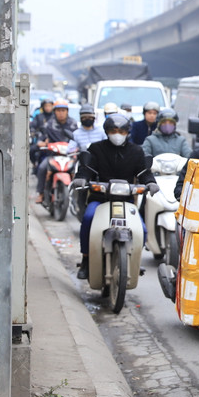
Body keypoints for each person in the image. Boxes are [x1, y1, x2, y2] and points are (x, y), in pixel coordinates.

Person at [71, 114, 158, 280]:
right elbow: (86, 168)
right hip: (100, 198)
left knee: (142, 229)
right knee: (88, 218)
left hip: (126, 201)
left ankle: (134, 260)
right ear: (106, 131)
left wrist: (150, 183)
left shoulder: (136, 151)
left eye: (121, 130)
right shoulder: (96, 149)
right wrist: (81, 178)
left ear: (127, 132)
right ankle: (86, 259)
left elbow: (144, 172)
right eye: (113, 130)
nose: (117, 134)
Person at [34, 100, 78, 203]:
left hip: (69, 155)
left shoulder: (73, 124)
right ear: (55, 112)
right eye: (58, 110)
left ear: (67, 111)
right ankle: (40, 193)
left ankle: (78, 195)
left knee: (79, 169)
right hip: (53, 155)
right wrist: (43, 143)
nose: (61, 113)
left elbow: (77, 139)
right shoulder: (49, 124)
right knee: (42, 168)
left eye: (63, 110)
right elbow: (41, 139)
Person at [29, 96, 56, 166]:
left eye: (50, 106)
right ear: (43, 107)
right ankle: (35, 164)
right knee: (31, 150)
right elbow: (33, 126)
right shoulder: (38, 116)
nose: (48, 108)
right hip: (41, 139)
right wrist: (33, 132)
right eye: (46, 106)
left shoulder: (55, 117)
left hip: (53, 141)